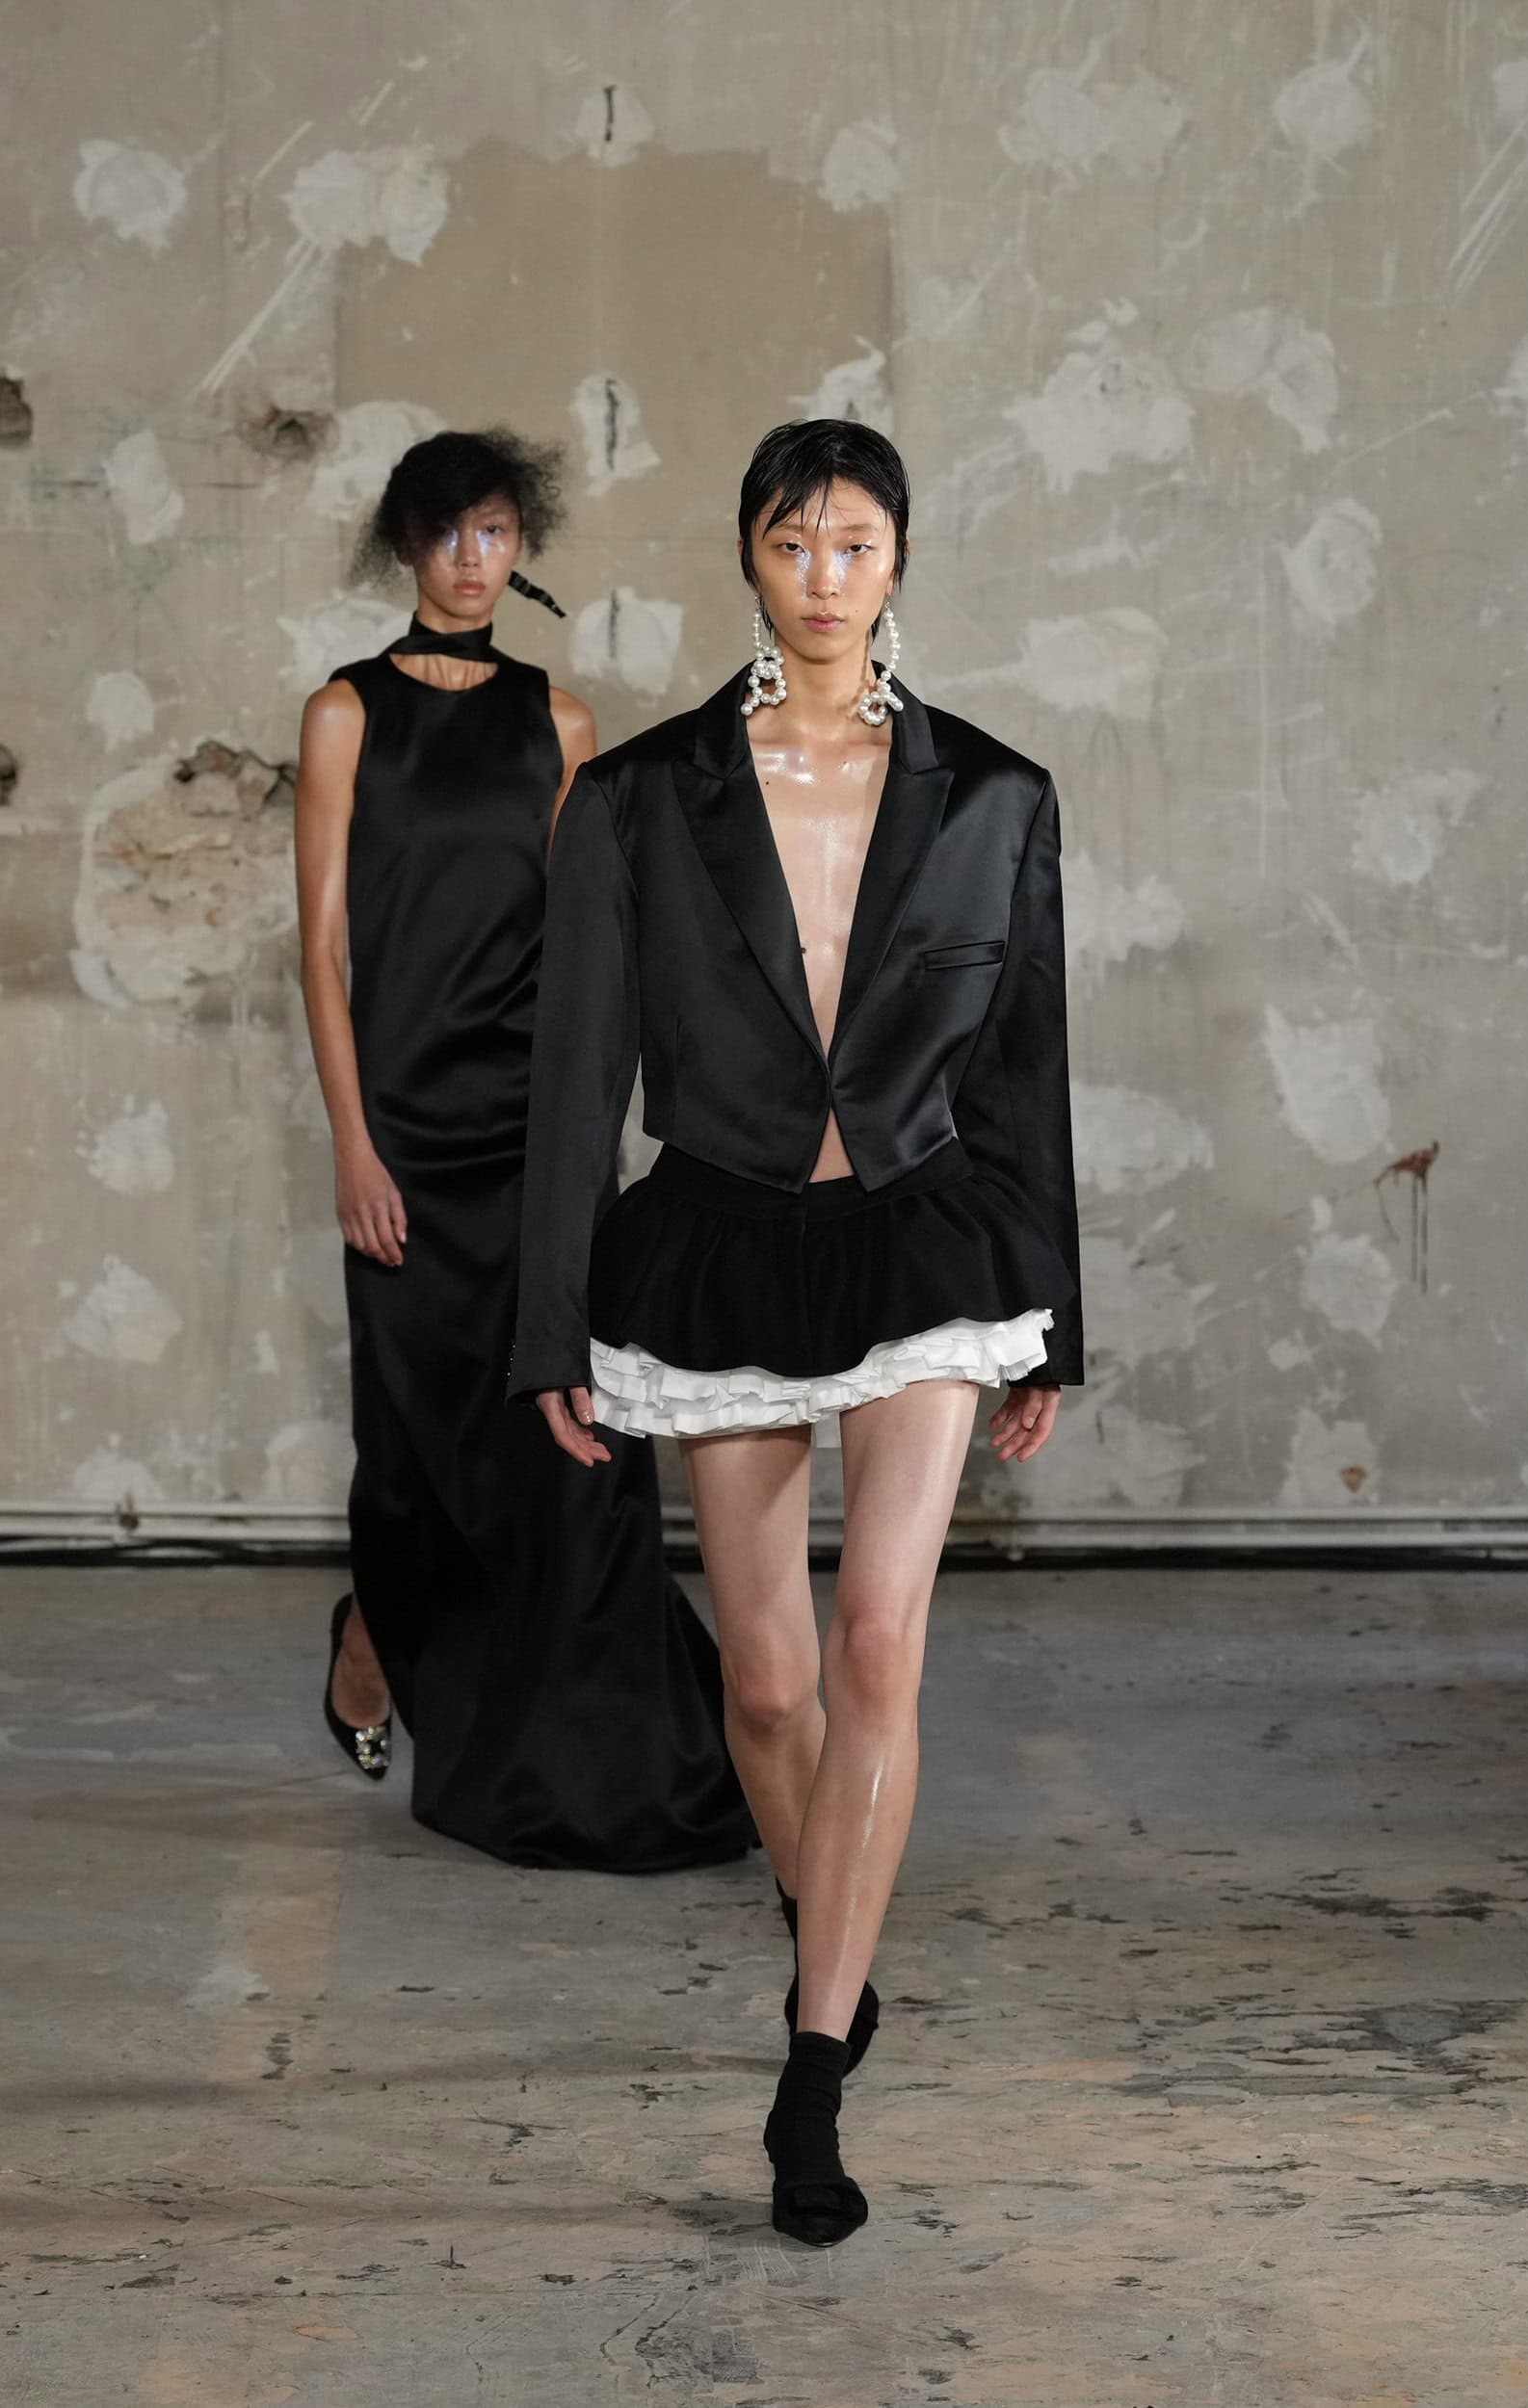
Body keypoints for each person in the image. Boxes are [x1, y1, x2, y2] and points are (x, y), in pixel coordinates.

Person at [510, 419, 1082, 2242]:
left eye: (855, 545)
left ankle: (813, 2068)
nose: (824, 579)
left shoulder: (996, 795)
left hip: (924, 1246)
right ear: (748, 559)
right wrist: (552, 1325)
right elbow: (577, 1072)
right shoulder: (640, 796)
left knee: (876, 1646)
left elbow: (1027, 1068)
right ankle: (828, 1911)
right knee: (765, 1686)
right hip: (720, 1242)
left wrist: (1053, 1323)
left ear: (899, 559)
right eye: (791, 544)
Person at [293, 424, 753, 1872]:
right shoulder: (344, 713)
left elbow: (584, 957)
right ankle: (372, 1635)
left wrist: (597, 1149)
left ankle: (599, 1766)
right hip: (403, 1141)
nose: (472, 560)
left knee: (575, 1458)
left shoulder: (562, 724)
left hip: (536, 1138)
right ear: (405, 546)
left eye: (496, 532)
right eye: (447, 534)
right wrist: (353, 1145)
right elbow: (322, 952)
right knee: (417, 1462)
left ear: (521, 544)